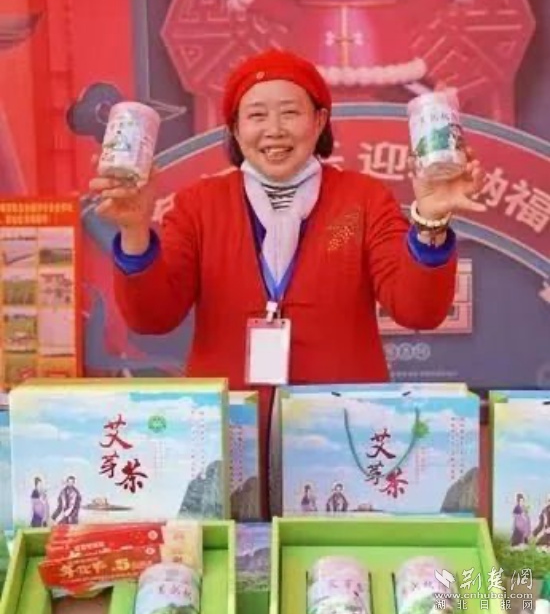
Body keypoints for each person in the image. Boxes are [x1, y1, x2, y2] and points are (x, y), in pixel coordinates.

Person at [90, 48, 485, 512]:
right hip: (227, 433)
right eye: (256, 115)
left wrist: (431, 223)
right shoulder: (200, 205)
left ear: (320, 121)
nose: (274, 130)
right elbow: (152, 317)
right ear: (235, 129)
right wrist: (135, 232)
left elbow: (418, 310)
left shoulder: (359, 203)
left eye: (290, 113)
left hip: (342, 435)